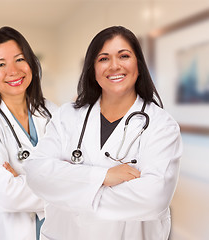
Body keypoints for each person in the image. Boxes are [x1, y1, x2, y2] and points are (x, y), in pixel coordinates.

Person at [23, 26, 183, 240]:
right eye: (104, 59)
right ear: (93, 69)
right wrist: (103, 176)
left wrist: (68, 186)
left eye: (124, 56)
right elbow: (36, 173)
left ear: (138, 64)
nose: (114, 66)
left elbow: (153, 198)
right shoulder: (67, 116)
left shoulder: (161, 125)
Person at [0, 26, 57, 240]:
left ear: (31, 63)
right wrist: (67, 185)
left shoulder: (52, 112)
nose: (13, 71)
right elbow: (7, 195)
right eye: (1, 64)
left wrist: (22, 179)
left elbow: (79, 166)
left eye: (20, 59)